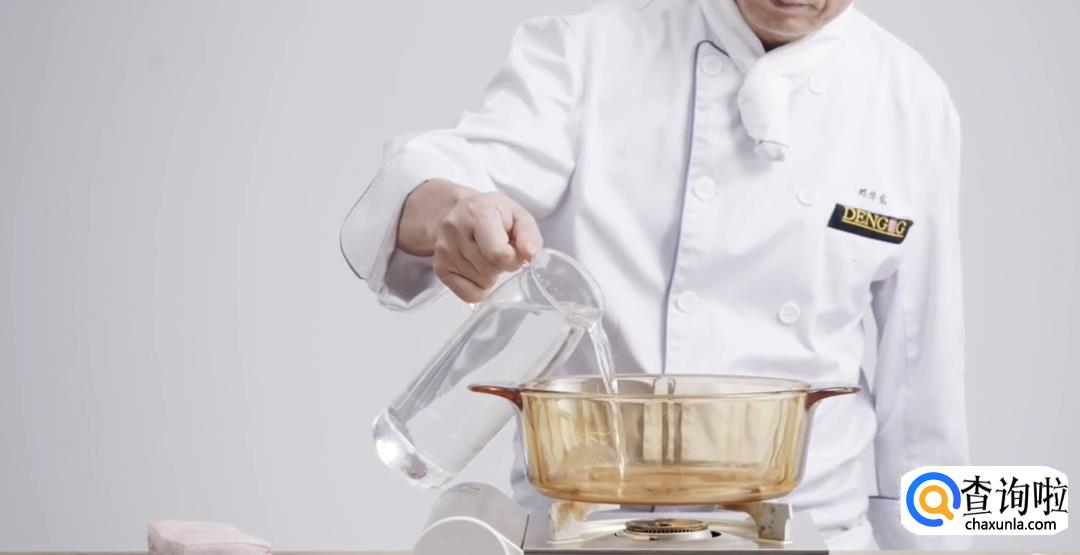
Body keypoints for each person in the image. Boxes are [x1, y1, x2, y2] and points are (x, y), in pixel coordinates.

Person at [341, 0, 970, 549]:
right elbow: (446, 168)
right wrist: (454, 207)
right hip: (587, 531)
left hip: (815, 534)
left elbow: (925, 388)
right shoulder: (591, 52)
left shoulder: (911, 100)